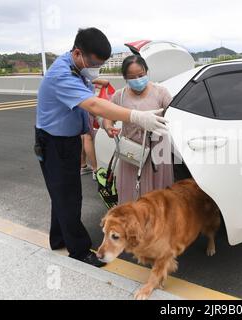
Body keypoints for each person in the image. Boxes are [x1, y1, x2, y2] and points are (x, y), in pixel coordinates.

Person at [34, 27, 167, 268]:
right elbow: (94, 104)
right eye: (94, 64)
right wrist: (137, 116)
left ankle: (59, 239)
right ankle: (79, 250)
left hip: (66, 139)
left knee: (61, 194)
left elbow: (88, 90)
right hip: (55, 142)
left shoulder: (76, 67)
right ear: (78, 53)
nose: (95, 69)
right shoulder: (61, 75)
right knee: (69, 196)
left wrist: (97, 80)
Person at [102, 54, 174, 204]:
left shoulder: (161, 92)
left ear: (147, 71)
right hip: (132, 153)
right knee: (131, 193)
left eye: (140, 75)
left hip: (157, 151)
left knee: (158, 197)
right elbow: (107, 116)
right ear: (125, 78)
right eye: (132, 77)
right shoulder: (119, 96)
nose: (137, 80)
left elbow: (175, 116)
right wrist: (108, 127)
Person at [80, 113, 99, 180]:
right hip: (87, 105)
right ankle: (95, 170)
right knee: (88, 136)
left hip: (77, 106)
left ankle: (83, 165)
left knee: (82, 134)